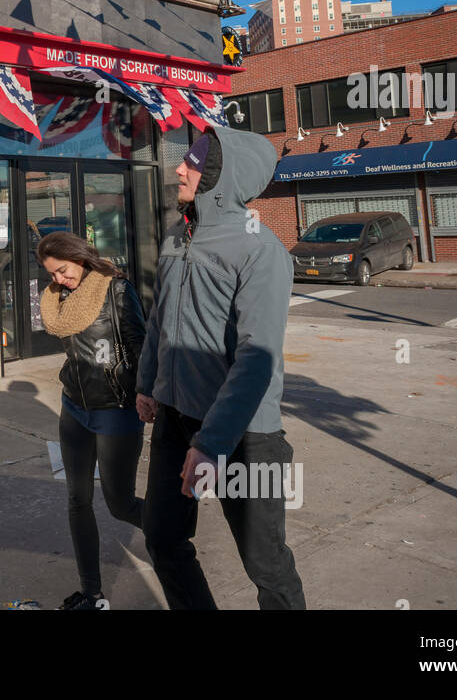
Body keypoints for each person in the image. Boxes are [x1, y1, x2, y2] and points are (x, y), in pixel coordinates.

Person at [135, 127, 305, 610]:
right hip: (175, 416)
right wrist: (147, 383)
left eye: (192, 163)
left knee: (266, 564)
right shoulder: (176, 236)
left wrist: (212, 444)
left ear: (220, 176)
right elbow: (159, 320)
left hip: (246, 434)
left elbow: (258, 355)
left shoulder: (260, 249)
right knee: (163, 540)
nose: (178, 169)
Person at [37, 231, 146, 610]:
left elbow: (141, 347)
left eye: (63, 271)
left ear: (80, 258)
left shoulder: (116, 290)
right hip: (75, 409)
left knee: (121, 504)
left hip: (116, 410)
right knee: (77, 499)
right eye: (52, 274)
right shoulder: (59, 300)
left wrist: (146, 394)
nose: (59, 280)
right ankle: (91, 593)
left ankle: (176, 530)